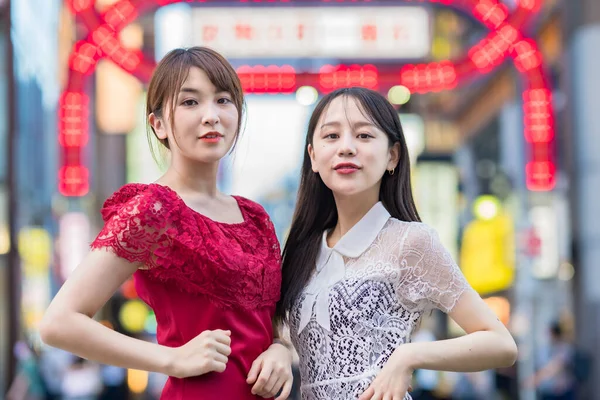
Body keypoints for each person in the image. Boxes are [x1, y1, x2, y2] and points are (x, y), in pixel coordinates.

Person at [40, 46, 293, 400]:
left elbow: (268, 319)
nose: (211, 115)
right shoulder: (153, 211)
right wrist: (171, 359)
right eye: (190, 102)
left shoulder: (255, 217)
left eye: (223, 100)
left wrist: (280, 348)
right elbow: (58, 323)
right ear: (158, 124)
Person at [276, 87, 518, 400]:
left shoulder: (410, 242)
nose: (346, 148)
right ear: (313, 156)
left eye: (364, 136)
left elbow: (500, 343)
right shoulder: (301, 251)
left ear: (393, 155)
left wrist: (409, 356)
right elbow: (276, 334)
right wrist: (279, 349)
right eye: (332, 136)